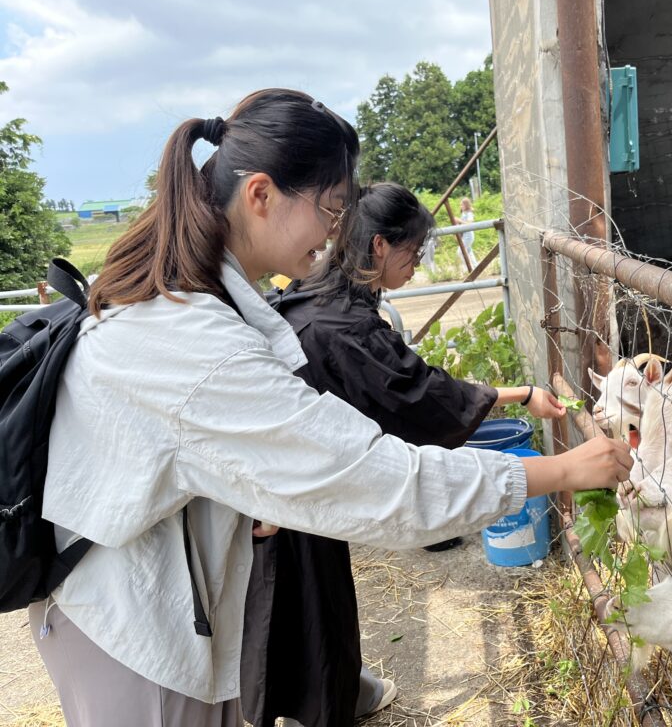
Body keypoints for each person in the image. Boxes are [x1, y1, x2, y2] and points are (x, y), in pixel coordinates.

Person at [30, 88, 633, 727]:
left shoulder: (185, 297)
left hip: (145, 600)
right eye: (331, 208)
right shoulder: (198, 341)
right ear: (260, 195)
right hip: (137, 631)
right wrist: (563, 470)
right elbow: (375, 479)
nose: (333, 232)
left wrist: (236, 496)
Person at [242, 183, 567, 727]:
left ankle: (337, 691)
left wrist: (516, 395)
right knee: (311, 602)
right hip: (293, 484)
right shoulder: (345, 324)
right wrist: (522, 395)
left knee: (299, 602)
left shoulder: (319, 294)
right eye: (413, 252)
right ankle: (326, 704)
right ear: (379, 247)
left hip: (286, 470)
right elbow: (420, 394)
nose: (417, 264)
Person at [454, 196, 477, 269]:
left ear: (466, 205)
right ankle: (475, 267)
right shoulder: (464, 213)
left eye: (462, 205)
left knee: (460, 252)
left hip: (468, 236)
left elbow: (469, 223)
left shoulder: (469, 213)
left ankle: (469, 268)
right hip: (465, 236)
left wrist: (459, 220)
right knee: (469, 252)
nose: (461, 206)